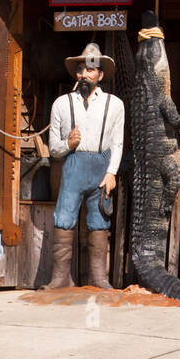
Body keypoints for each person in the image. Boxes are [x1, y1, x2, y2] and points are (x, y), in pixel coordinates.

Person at [42, 42, 124, 289]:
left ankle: (98, 278)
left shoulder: (114, 104)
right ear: (76, 74)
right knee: (64, 217)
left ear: (100, 74)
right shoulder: (61, 104)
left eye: (91, 69)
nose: (85, 74)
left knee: (100, 219)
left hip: (101, 167)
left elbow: (118, 143)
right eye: (81, 69)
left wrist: (111, 173)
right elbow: (53, 148)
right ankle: (60, 278)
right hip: (73, 165)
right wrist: (68, 143)